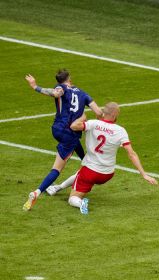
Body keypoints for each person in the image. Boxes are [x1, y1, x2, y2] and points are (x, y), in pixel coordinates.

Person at [23, 69, 103, 211]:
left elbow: (55, 93)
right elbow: (98, 112)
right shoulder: (83, 94)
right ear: (69, 79)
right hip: (69, 133)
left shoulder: (60, 87)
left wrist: (35, 86)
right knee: (57, 168)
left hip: (57, 129)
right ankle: (37, 192)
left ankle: (84, 161)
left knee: (77, 147)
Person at [67, 102, 157, 214]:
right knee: (79, 174)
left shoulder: (93, 124)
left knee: (72, 198)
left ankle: (81, 203)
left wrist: (82, 117)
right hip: (107, 174)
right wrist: (144, 174)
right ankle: (57, 187)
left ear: (104, 112)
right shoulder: (120, 131)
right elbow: (131, 154)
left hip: (90, 171)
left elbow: (73, 126)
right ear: (115, 115)